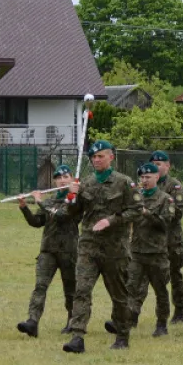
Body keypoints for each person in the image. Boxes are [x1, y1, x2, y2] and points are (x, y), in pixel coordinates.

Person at [62, 140, 142, 353]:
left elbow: (136, 210)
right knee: (81, 290)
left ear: (111, 157)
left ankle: (122, 336)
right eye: (93, 157)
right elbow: (73, 214)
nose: (96, 160)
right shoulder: (86, 183)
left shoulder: (124, 183)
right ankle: (77, 336)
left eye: (100, 156)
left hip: (115, 249)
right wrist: (71, 197)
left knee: (118, 294)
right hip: (89, 246)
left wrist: (111, 220)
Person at [15, 165, 81, 338]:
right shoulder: (50, 201)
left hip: (69, 251)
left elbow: (62, 216)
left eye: (66, 177)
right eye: (59, 178)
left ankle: (72, 322)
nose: (62, 180)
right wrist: (24, 207)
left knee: (70, 289)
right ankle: (32, 322)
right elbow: (37, 222)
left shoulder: (74, 201)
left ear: (71, 179)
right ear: (55, 181)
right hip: (48, 250)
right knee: (40, 286)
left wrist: (39, 201)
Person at [123, 163, 175, 337]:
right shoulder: (136, 197)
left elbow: (165, 223)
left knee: (160, 290)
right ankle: (127, 320)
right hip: (137, 251)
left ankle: (161, 324)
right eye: (142, 177)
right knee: (130, 287)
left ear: (156, 177)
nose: (144, 180)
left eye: (148, 177)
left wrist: (146, 213)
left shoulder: (165, 199)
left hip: (156, 253)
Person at [148, 151, 183, 323]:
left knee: (174, 274)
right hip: (150, 241)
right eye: (153, 164)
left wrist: (151, 214)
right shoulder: (147, 186)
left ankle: (179, 311)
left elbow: (177, 213)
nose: (156, 167)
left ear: (167, 166)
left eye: (159, 164)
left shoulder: (175, 187)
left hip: (171, 240)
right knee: (148, 277)